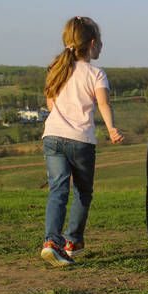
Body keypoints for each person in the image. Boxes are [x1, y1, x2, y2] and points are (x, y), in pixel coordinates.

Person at [40, 16, 124, 267]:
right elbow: (103, 104)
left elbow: (50, 105)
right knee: (82, 192)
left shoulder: (57, 69)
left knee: (58, 190)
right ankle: (73, 240)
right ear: (92, 43)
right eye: (100, 42)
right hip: (81, 141)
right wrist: (111, 128)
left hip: (53, 137)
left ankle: (51, 243)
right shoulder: (96, 74)